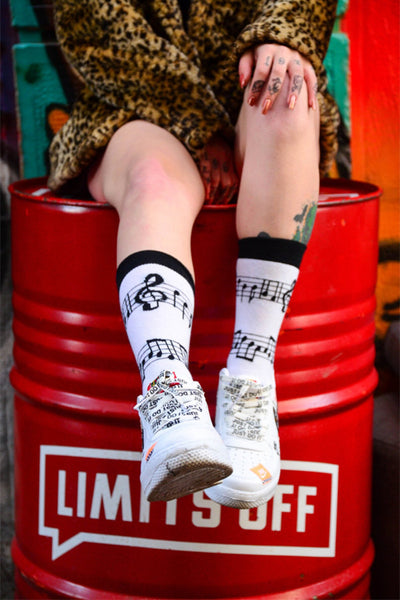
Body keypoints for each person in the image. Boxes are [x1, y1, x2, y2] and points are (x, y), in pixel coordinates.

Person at [48, 0, 339, 508]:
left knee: (287, 89)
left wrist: (278, 40)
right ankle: (168, 395)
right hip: (134, 110)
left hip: (253, 108)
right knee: (154, 180)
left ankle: (251, 375)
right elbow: (97, 33)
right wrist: (200, 126)